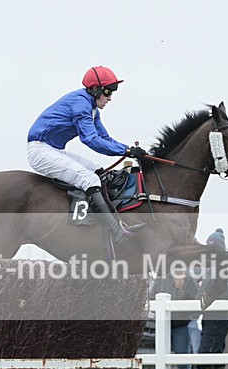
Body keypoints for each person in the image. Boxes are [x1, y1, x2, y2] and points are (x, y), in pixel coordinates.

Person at [27, 66, 146, 243]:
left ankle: (114, 220)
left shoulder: (92, 108)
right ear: (95, 89)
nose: (110, 98)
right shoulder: (81, 104)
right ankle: (116, 232)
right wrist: (126, 151)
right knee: (89, 180)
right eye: (108, 92)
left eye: (112, 92)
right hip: (40, 151)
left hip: (53, 149)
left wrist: (129, 150)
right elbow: (90, 140)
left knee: (99, 171)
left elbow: (104, 138)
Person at [198, 229, 228, 369]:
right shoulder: (210, 268)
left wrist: (207, 295)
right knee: (211, 352)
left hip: (220, 316)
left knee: (208, 352)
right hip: (208, 317)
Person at [151, 270, 200, 369]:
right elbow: (152, 297)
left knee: (183, 358)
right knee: (161, 356)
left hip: (181, 325)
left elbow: (196, 300)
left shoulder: (189, 280)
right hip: (163, 325)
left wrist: (180, 289)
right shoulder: (161, 278)